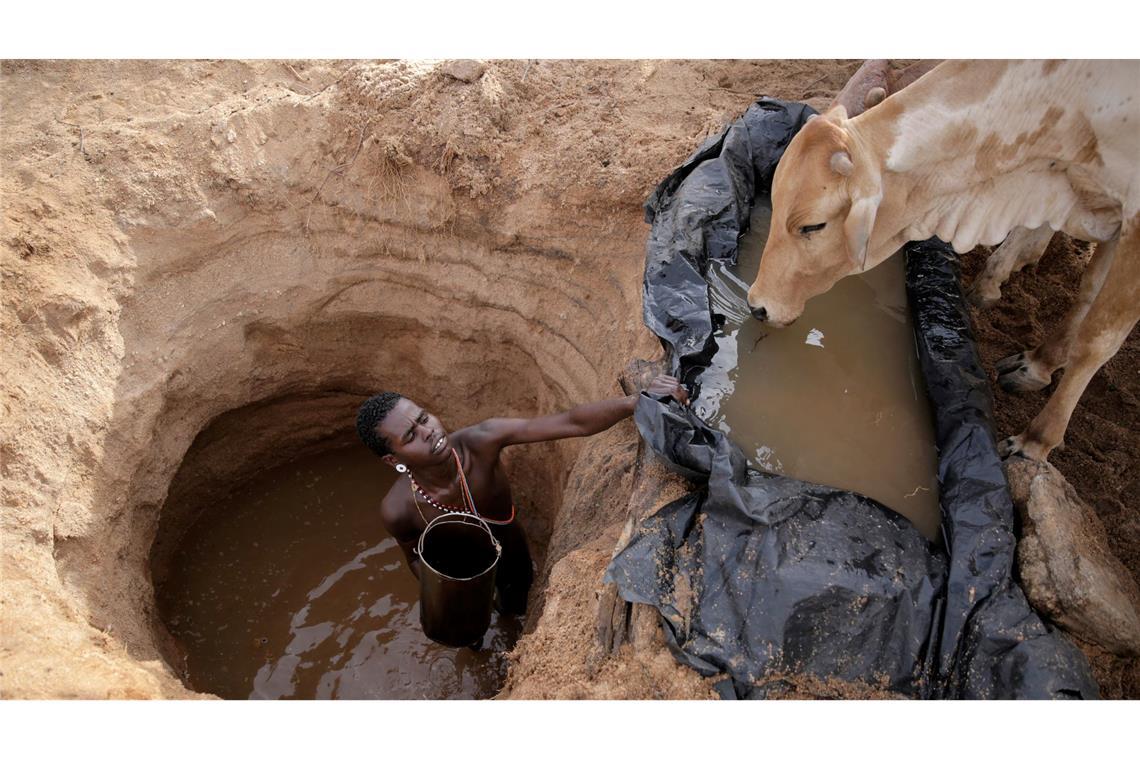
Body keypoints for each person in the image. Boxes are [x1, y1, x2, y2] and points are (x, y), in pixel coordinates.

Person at [355, 375, 689, 617]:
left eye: (424, 417)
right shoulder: (397, 509)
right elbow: (414, 558)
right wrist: (447, 592)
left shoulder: (481, 441)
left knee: (517, 610)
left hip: (513, 556)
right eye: (411, 435)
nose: (430, 432)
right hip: (462, 579)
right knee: (464, 633)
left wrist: (636, 401)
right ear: (393, 459)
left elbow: (571, 422)